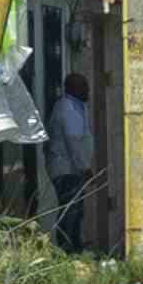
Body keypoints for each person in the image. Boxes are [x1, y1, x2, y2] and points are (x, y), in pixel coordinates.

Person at [45, 69, 98, 253]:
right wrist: (84, 167)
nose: (88, 91)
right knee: (71, 210)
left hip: (70, 168)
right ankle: (68, 249)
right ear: (73, 89)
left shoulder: (75, 106)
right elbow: (73, 141)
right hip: (67, 169)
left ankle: (73, 247)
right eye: (84, 87)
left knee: (75, 210)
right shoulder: (68, 108)